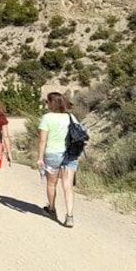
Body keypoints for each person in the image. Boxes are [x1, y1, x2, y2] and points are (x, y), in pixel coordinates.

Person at [36, 91, 79, 228]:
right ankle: (70, 216)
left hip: (53, 154)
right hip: (70, 154)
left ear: (51, 103)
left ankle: (52, 209)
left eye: (47, 102)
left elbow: (43, 141)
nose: (46, 104)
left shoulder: (47, 118)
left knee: (51, 184)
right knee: (68, 186)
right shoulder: (71, 117)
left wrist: (39, 158)